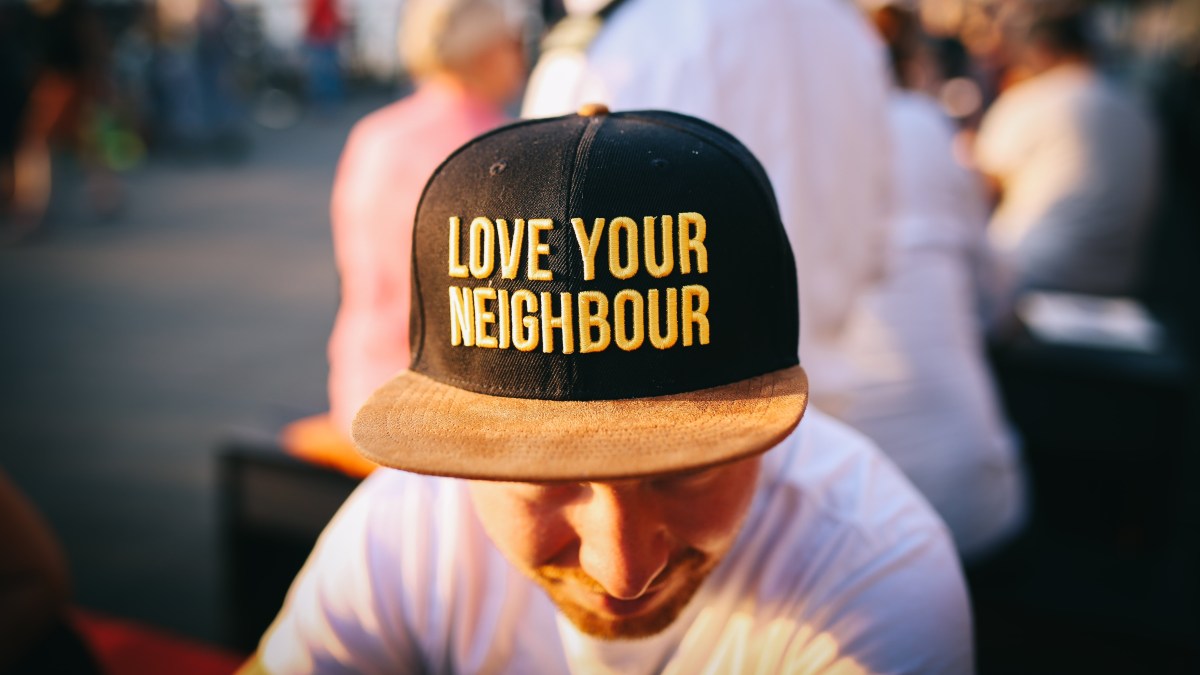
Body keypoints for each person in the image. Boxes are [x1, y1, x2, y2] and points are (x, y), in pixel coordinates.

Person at [243, 107, 972, 672]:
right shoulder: (412, 523)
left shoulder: (872, 570)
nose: (620, 569)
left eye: (688, 472)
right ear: (459, 455)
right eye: (540, 479)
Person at [522, 0, 894, 399]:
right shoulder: (846, 28)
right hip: (823, 387)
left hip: (666, 412)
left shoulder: (622, 41)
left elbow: (542, 239)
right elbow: (883, 228)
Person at [830, 0, 1027, 560]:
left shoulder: (802, 141)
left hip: (851, 521)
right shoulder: (924, 126)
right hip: (974, 492)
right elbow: (992, 293)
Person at [322, 0, 529, 444]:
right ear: (485, 52)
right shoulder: (505, 148)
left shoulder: (376, 134)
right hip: (455, 402)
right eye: (515, 42)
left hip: (362, 379)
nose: (522, 56)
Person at [974, 4, 1159, 300]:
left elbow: (980, 193)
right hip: (1118, 285)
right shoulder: (1139, 108)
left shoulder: (1029, 102)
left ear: (1042, 50)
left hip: (1029, 275)